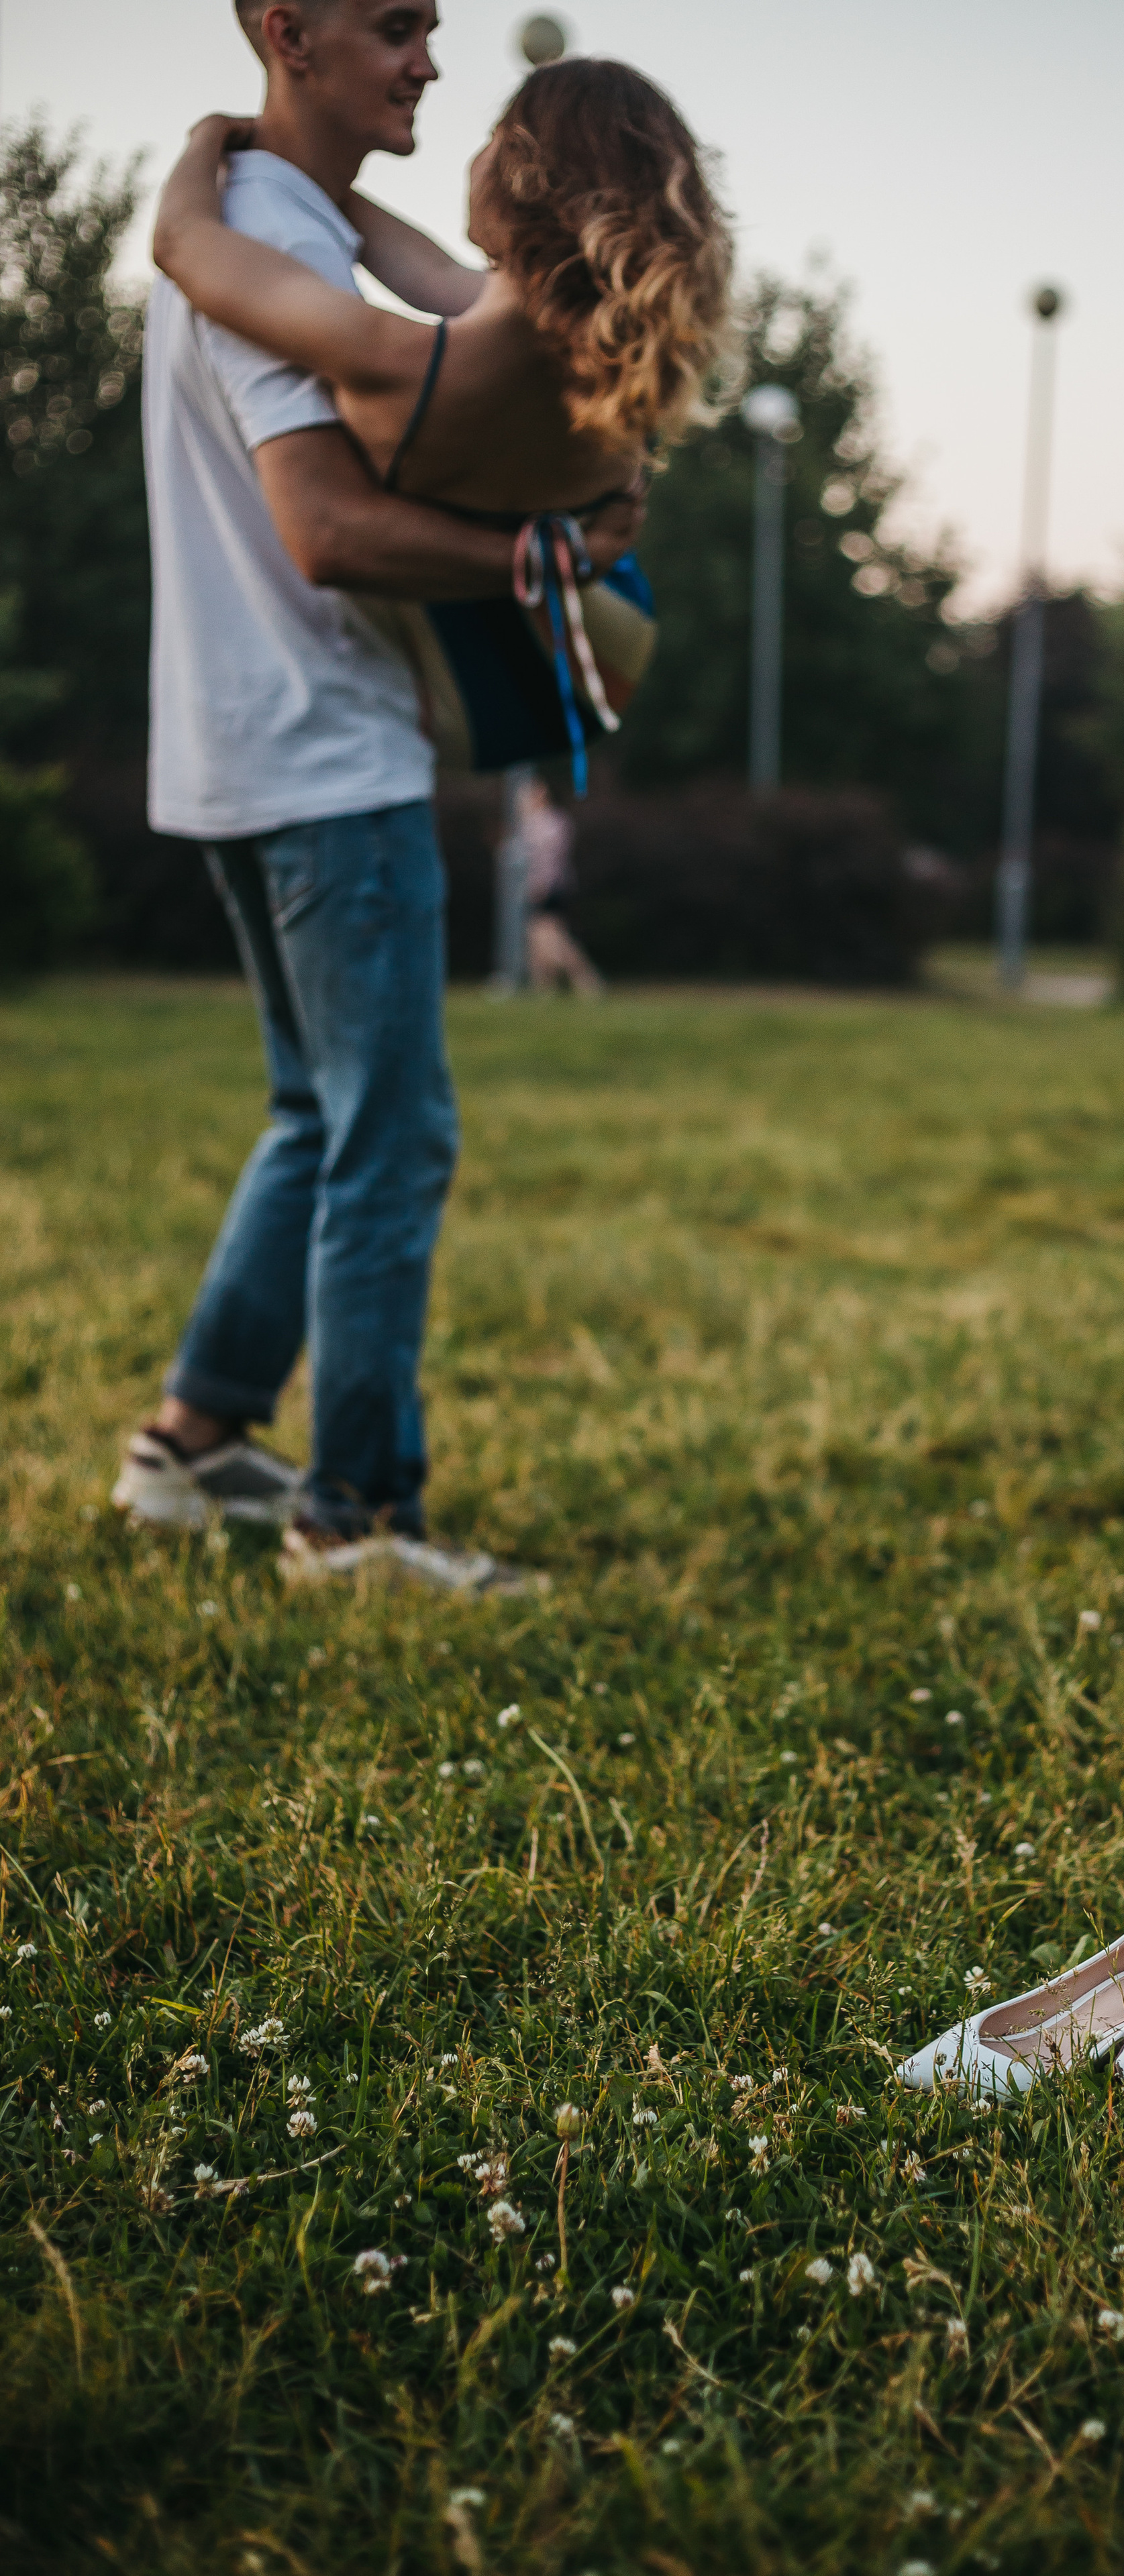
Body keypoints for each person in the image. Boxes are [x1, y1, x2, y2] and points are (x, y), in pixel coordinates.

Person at [111, 1, 726, 1593]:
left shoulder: (278, 225)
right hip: (320, 745)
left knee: (318, 1117)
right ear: (288, 32)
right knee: (388, 1139)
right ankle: (355, 1520)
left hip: (250, 735)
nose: (430, 62)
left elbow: (375, 299)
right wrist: (546, 556)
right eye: (396, 28)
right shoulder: (278, 237)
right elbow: (323, 530)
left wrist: (200, 158)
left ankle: (193, 1441)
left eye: (433, 28)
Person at [517, 777, 605, 997]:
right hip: (548, 884)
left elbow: (550, 859)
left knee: (549, 936)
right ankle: (545, 987)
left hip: (549, 886)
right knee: (537, 936)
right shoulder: (540, 822)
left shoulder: (546, 823)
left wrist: (542, 884)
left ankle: (585, 980)